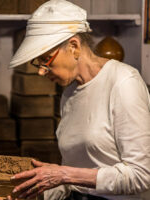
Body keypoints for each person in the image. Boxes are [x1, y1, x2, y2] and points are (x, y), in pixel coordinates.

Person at [8, 0, 150, 199]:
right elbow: (74, 178)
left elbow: (140, 176)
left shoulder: (123, 83)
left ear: (74, 46)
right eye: (37, 62)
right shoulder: (69, 92)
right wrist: (36, 192)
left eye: (46, 59)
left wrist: (63, 174)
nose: (41, 71)